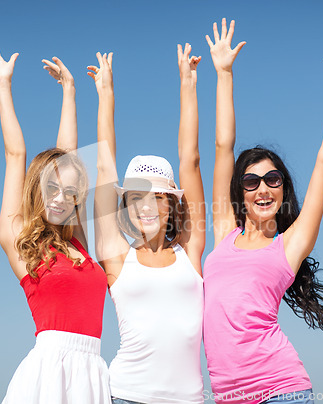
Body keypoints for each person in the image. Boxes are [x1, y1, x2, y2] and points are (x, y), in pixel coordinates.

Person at [202, 19, 323, 404]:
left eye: (272, 179)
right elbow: (222, 147)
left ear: (282, 189)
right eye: (251, 182)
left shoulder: (290, 245)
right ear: (240, 193)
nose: (262, 188)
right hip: (227, 397)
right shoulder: (224, 231)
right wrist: (224, 74)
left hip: (280, 391)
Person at [0, 43, 111, 404]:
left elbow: (70, 158)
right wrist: (3, 86)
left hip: (94, 370)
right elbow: (14, 153)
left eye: (69, 192)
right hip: (49, 374)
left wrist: (69, 90)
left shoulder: (76, 238)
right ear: (36, 189)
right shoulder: (17, 238)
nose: (61, 197)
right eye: (51, 188)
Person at [87, 45, 205, 404]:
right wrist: (106, 93)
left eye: (157, 197)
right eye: (136, 197)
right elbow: (104, 168)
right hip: (126, 395)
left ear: (172, 204)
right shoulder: (118, 257)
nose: (146, 206)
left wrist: (188, 83)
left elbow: (191, 160)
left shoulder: (191, 250)